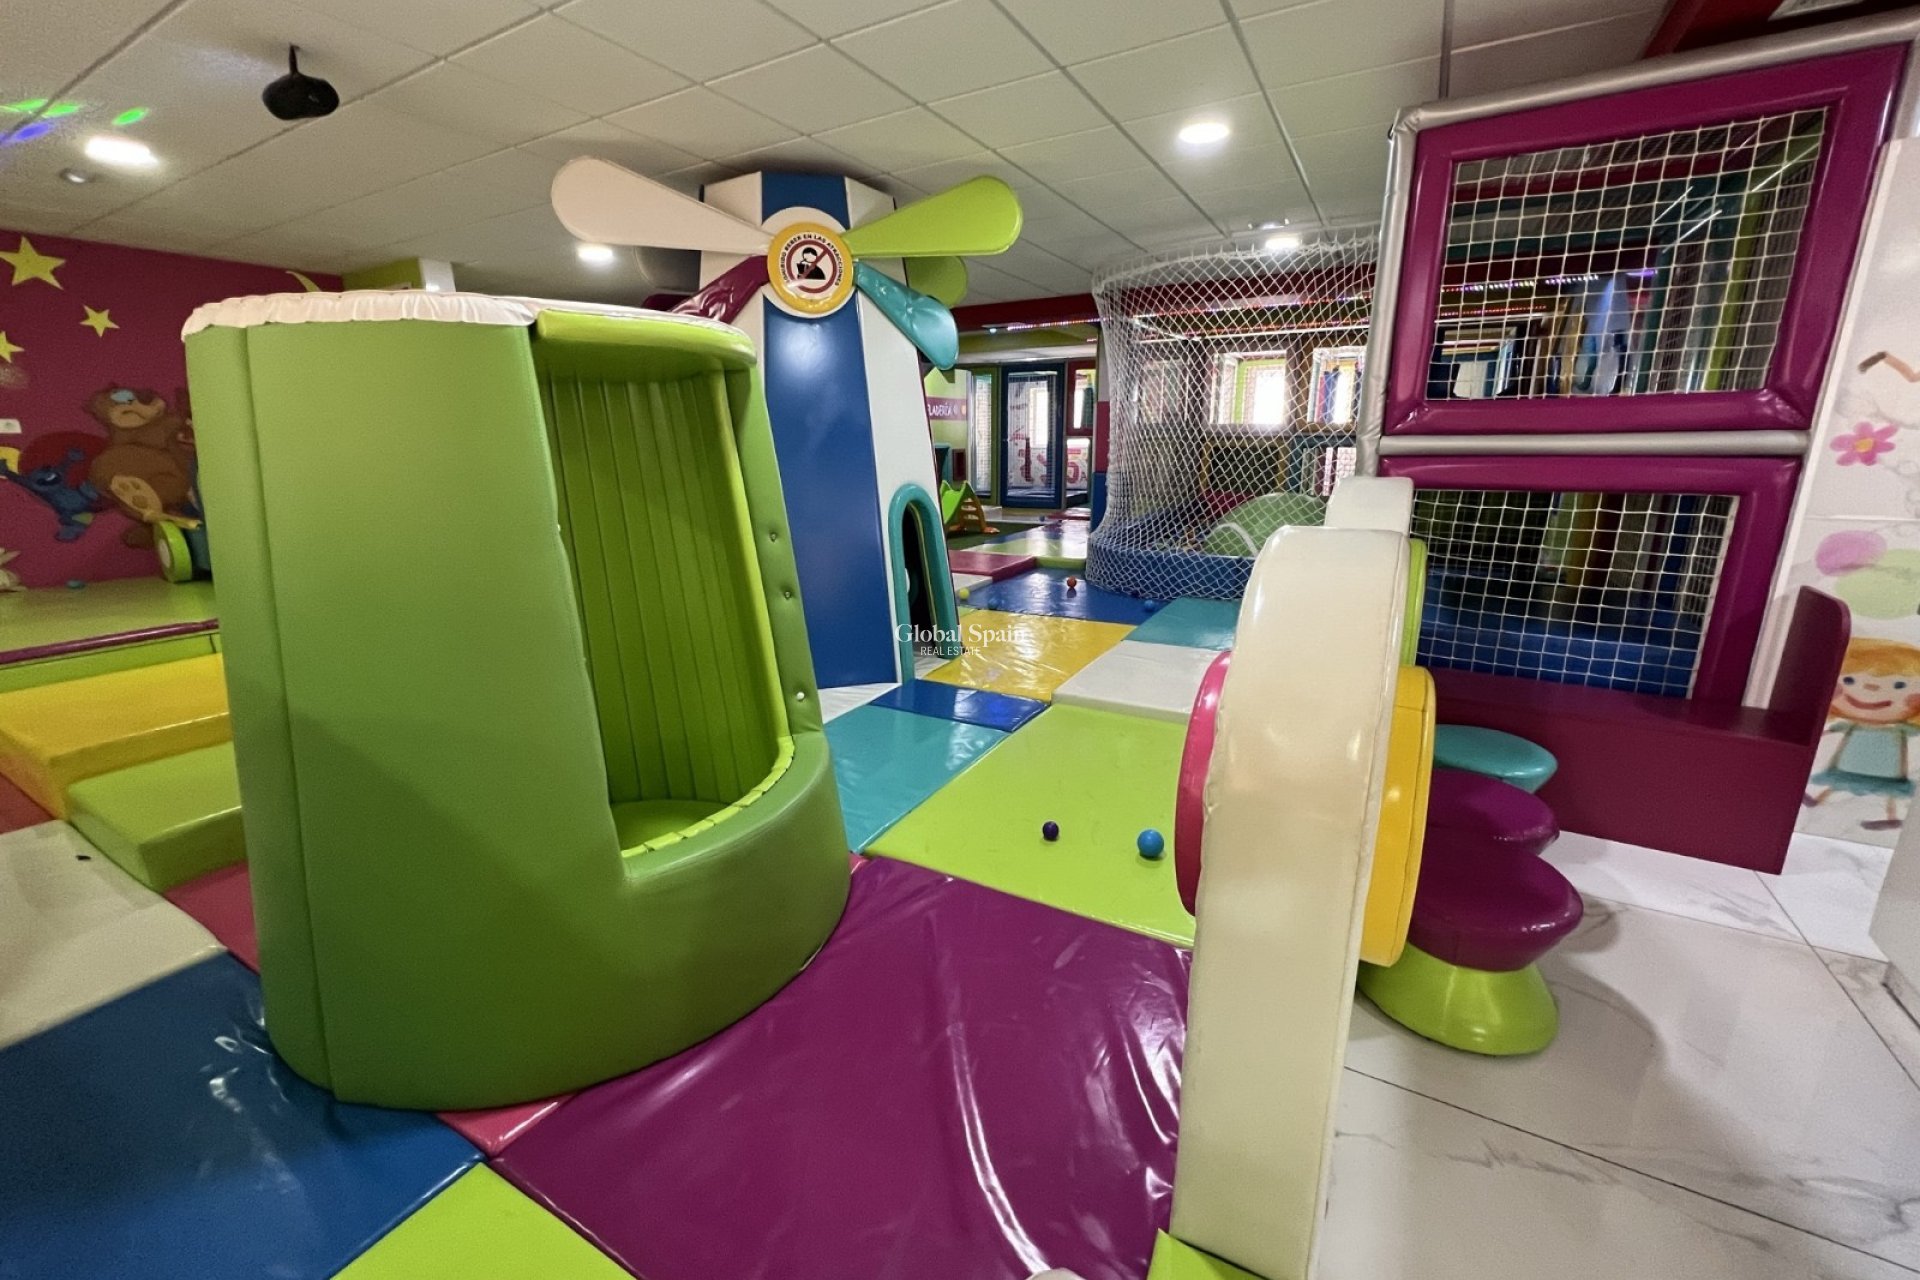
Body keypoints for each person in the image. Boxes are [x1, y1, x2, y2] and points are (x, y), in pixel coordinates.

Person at [1807, 637, 1920, 830]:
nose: (1871, 689)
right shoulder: (1853, 725)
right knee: (1839, 782)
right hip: (1849, 762)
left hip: (1887, 769)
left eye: (1899, 685)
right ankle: (1817, 799)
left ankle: (1891, 817)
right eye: (1849, 680)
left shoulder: (1899, 729)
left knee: (1889, 791)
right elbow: (1832, 729)